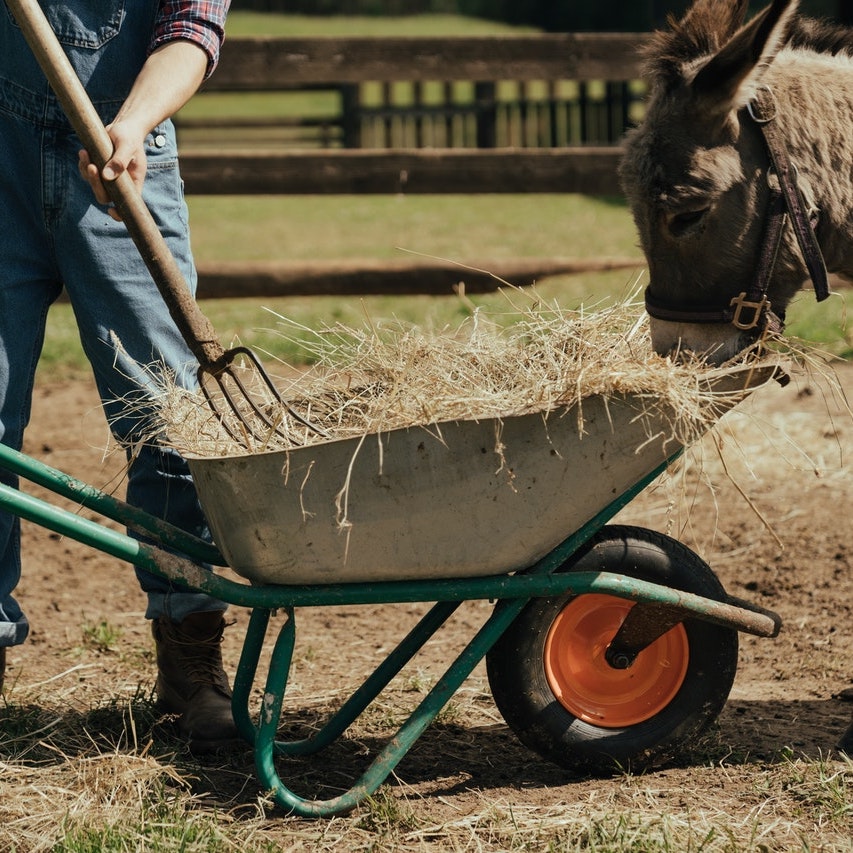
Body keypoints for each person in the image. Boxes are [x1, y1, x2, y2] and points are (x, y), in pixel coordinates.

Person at [0, 0, 236, 752]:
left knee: (168, 420)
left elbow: (191, 30)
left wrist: (131, 124)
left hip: (121, 155)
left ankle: (189, 664)